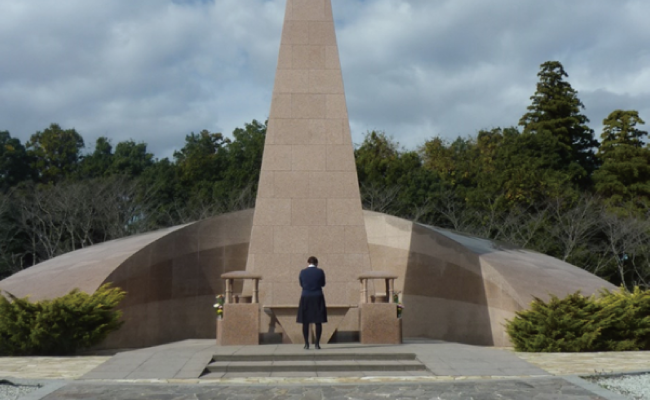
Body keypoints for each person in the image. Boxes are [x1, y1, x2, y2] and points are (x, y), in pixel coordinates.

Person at [296, 256, 327, 349]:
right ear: (317, 263)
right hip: (317, 296)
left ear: (308, 263)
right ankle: (317, 344)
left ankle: (306, 344)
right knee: (318, 321)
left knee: (305, 321)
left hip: (306, 296)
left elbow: (301, 284)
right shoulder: (320, 271)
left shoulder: (303, 272)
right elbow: (323, 284)